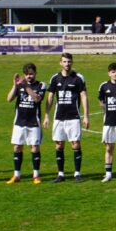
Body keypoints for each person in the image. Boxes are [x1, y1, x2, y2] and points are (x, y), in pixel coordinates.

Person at [45, 53, 88, 183]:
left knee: (75, 144)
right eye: (64, 61)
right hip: (59, 117)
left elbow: (84, 96)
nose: (67, 64)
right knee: (59, 145)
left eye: (69, 61)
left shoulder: (78, 78)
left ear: (72, 62)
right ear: (60, 63)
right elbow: (50, 97)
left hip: (73, 116)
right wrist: (46, 115)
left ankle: (77, 174)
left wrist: (86, 116)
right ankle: (61, 174)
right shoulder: (55, 78)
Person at [6, 63, 46, 184]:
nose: (29, 76)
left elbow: (37, 99)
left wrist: (26, 86)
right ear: (24, 74)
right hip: (19, 121)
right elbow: (9, 99)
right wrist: (15, 85)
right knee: (17, 147)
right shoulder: (19, 85)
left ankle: (36, 176)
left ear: (35, 73)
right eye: (27, 74)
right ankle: (16, 175)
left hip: (34, 122)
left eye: (31, 74)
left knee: (34, 147)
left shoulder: (41, 85)